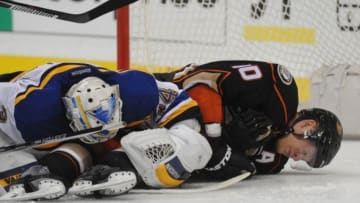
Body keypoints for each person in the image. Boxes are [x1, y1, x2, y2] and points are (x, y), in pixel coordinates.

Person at [0, 62, 212, 200]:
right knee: (13, 170)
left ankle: (110, 164)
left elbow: (182, 105)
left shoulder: (135, 93)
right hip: (23, 110)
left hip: (65, 122)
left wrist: (180, 139)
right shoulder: (30, 112)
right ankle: (49, 169)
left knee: (187, 140)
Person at [154, 60, 343, 180]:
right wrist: (216, 137)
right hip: (163, 95)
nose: (295, 157)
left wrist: (229, 143)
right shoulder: (278, 94)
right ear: (307, 125)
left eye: (303, 159)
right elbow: (201, 80)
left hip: (166, 137)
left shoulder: (272, 164)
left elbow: (201, 167)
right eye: (304, 153)